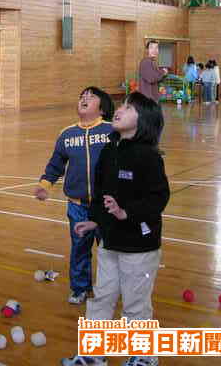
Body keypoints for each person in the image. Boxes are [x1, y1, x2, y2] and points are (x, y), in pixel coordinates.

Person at [61, 92, 169, 366]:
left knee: (135, 304)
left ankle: (144, 357)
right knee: (102, 296)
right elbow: (100, 193)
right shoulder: (110, 150)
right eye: (122, 105)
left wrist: (126, 212)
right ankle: (94, 354)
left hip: (139, 246)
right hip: (110, 242)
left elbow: (158, 198)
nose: (120, 109)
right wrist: (96, 219)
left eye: (129, 107)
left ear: (143, 121)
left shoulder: (149, 156)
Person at [35, 87, 114, 305]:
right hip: (77, 206)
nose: (84, 98)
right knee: (79, 249)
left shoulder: (112, 131)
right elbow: (55, 164)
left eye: (91, 96)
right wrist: (45, 184)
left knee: (109, 252)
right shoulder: (67, 134)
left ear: (103, 107)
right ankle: (80, 288)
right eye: (82, 96)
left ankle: (109, 291)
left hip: (107, 207)